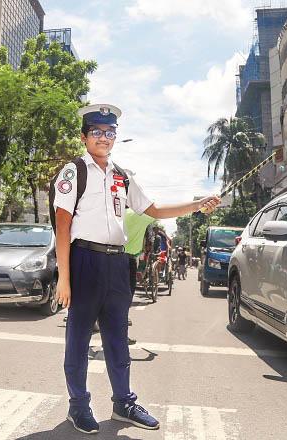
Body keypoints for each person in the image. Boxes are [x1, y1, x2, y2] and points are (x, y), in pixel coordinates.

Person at [53, 103, 220, 434]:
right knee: (78, 339)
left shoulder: (122, 176)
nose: (104, 137)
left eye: (110, 132)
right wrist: (64, 278)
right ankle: (78, 406)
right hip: (84, 259)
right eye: (97, 132)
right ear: (84, 137)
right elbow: (62, 224)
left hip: (118, 263)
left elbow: (155, 210)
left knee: (118, 337)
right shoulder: (74, 171)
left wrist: (197, 205)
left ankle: (123, 404)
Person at [123, 208, 156, 345]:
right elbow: (161, 211)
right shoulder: (141, 215)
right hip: (128, 260)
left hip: (108, 258)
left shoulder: (115, 212)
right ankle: (121, 336)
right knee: (125, 301)